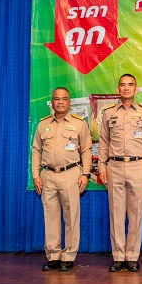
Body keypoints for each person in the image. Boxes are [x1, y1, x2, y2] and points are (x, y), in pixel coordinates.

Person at [98, 74, 142, 273]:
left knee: (136, 214)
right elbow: (103, 142)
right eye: (122, 85)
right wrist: (102, 167)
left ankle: (132, 257)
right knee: (116, 214)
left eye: (130, 85)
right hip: (114, 167)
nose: (126, 88)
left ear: (136, 89)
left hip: (138, 166)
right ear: (117, 89)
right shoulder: (108, 113)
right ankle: (118, 257)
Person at [32, 87, 92, 272]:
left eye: (64, 99)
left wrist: (85, 174)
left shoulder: (79, 124)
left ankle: (69, 255)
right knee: (50, 217)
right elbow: (36, 150)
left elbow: (87, 150)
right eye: (57, 99)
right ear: (52, 102)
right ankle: (53, 255)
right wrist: (35, 175)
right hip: (48, 175)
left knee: (71, 216)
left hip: (71, 173)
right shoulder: (43, 124)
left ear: (69, 102)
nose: (60, 102)